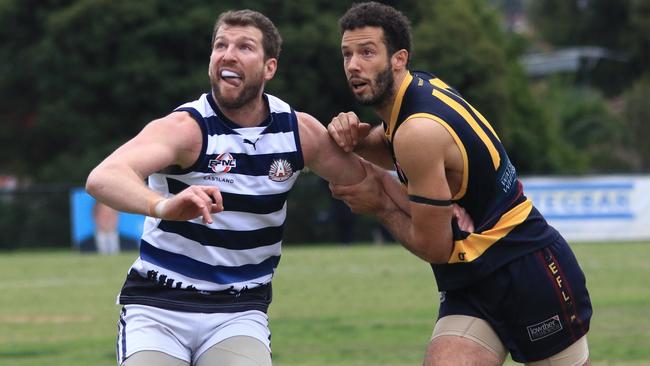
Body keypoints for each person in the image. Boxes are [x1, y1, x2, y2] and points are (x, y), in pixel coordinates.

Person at [84, 10, 375, 366]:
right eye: (220, 45)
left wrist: (371, 142)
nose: (228, 54)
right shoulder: (187, 128)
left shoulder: (297, 132)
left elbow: (371, 186)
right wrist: (164, 206)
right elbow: (103, 177)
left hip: (238, 311)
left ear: (269, 68)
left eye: (244, 46)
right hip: (159, 308)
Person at [327, 2, 592, 366]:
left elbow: (435, 246)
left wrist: (380, 204)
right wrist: (356, 140)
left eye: (367, 52)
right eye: (347, 54)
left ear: (398, 58)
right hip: (472, 280)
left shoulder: (417, 130)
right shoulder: (418, 92)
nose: (354, 65)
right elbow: (396, 148)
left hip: (526, 272)